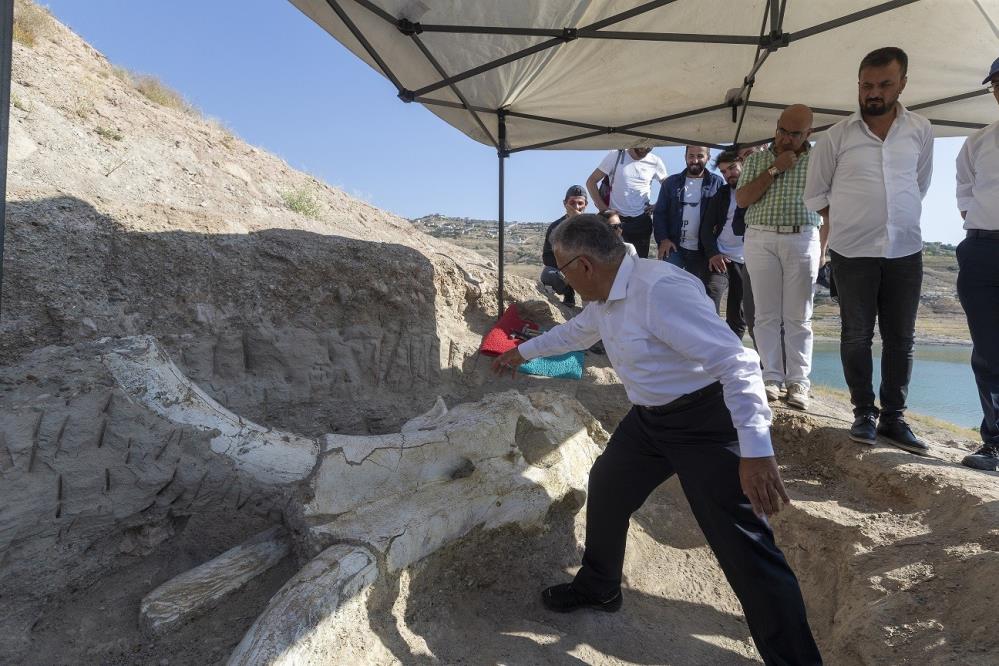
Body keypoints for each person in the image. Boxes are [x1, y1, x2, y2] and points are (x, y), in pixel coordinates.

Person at [491, 215, 822, 666]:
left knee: (744, 547)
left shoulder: (660, 291)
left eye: (562, 267)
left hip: (706, 422)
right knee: (607, 488)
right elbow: (578, 332)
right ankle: (600, 587)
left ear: (584, 265)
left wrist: (755, 450)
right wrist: (520, 352)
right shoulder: (606, 294)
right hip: (649, 421)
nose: (561, 275)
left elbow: (738, 364)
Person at [805, 47, 933, 454]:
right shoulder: (835, 136)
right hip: (852, 250)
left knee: (901, 338)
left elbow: (919, 183)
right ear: (858, 85)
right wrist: (849, 218)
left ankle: (895, 418)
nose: (874, 93)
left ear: (903, 84)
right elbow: (815, 194)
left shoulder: (921, 129)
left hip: (905, 249)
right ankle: (864, 412)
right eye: (867, 85)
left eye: (884, 84)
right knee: (856, 334)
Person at [736, 105, 822, 411]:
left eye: (794, 133)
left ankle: (799, 382)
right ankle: (771, 377)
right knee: (765, 314)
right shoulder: (758, 158)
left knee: (799, 315)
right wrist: (775, 168)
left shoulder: (818, 160)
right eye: (782, 130)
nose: (785, 138)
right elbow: (743, 199)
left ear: (808, 133)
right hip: (760, 236)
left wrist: (825, 250)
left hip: (802, 236)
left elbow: (829, 203)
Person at [954, 57, 999, 472]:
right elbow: (965, 190)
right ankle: (995, 443)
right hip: (982, 250)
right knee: (987, 352)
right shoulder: (978, 141)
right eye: (997, 83)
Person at [701, 149, 755, 341]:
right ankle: (712, 346)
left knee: (737, 314)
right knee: (711, 296)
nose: (728, 174)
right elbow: (706, 228)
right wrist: (713, 253)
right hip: (722, 256)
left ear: (742, 163)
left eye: (731, 168)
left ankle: (733, 355)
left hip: (748, 259)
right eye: (723, 172)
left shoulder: (758, 188)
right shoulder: (722, 194)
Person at [652, 146, 724, 281]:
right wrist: (663, 239)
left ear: (708, 157)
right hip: (674, 248)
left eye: (700, 156)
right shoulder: (670, 183)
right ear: (685, 157)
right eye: (691, 156)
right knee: (669, 287)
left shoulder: (717, 183)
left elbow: (721, 217)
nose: (695, 160)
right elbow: (659, 214)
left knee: (696, 292)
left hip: (702, 252)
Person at [586, 145, 668, 258]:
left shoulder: (655, 161)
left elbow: (668, 188)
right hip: (616, 222)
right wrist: (604, 209)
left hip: (641, 221)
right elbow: (591, 182)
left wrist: (657, 205)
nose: (645, 149)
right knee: (614, 262)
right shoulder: (615, 155)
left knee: (638, 264)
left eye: (649, 147)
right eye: (641, 146)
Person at [541, 185, 588, 307]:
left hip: (588, 271)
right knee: (548, 274)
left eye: (580, 203)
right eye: (572, 202)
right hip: (565, 270)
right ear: (565, 203)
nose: (576, 207)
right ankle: (568, 294)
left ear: (586, 204)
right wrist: (567, 269)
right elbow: (547, 256)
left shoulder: (593, 225)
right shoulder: (555, 227)